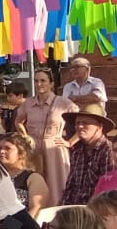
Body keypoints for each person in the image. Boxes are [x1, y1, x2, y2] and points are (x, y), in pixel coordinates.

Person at [14, 69, 74, 205]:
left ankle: (57, 210)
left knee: (56, 182)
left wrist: (70, 141)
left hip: (55, 147)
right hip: (33, 147)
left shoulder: (63, 103)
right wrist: (25, 137)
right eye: (36, 81)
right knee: (33, 179)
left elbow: (81, 122)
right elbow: (18, 121)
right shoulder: (28, 103)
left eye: (43, 81)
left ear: (51, 83)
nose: (39, 84)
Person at [60, 103, 114, 206]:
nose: (80, 126)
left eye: (85, 123)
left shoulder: (108, 151)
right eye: (77, 123)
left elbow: (107, 191)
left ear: (100, 127)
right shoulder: (77, 152)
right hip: (74, 210)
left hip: (96, 211)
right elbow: (70, 187)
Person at [0, 133, 48, 219]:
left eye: (8, 148)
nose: (1, 151)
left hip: (20, 228)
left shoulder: (33, 178)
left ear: (21, 154)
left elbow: (35, 209)